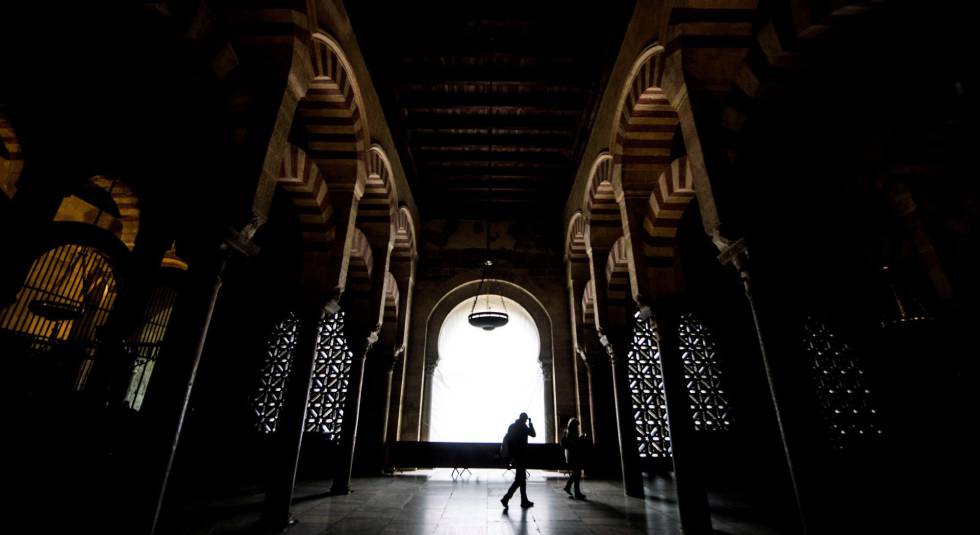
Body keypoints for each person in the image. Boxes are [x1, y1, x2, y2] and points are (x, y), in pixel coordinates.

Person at [500, 412, 536, 509]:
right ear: (525, 419)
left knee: (521, 479)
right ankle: (506, 498)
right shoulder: (523, 427)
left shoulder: (511, 426)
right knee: (519, 480)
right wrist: (531, 424)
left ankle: (523, 500)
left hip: (515, 456)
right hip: (521, 456)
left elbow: (509, 441)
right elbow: (533, 434)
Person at [560, 417, 587, 499]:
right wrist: (581, 438)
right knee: (577, 473)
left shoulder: (569, 432)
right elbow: (574, 444)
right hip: (573, 456)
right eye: (577, 426)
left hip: (571, 455)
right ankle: (574, 491)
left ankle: (571, 488)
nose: (577, 427)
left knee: (576, 473)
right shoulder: (571, 433)